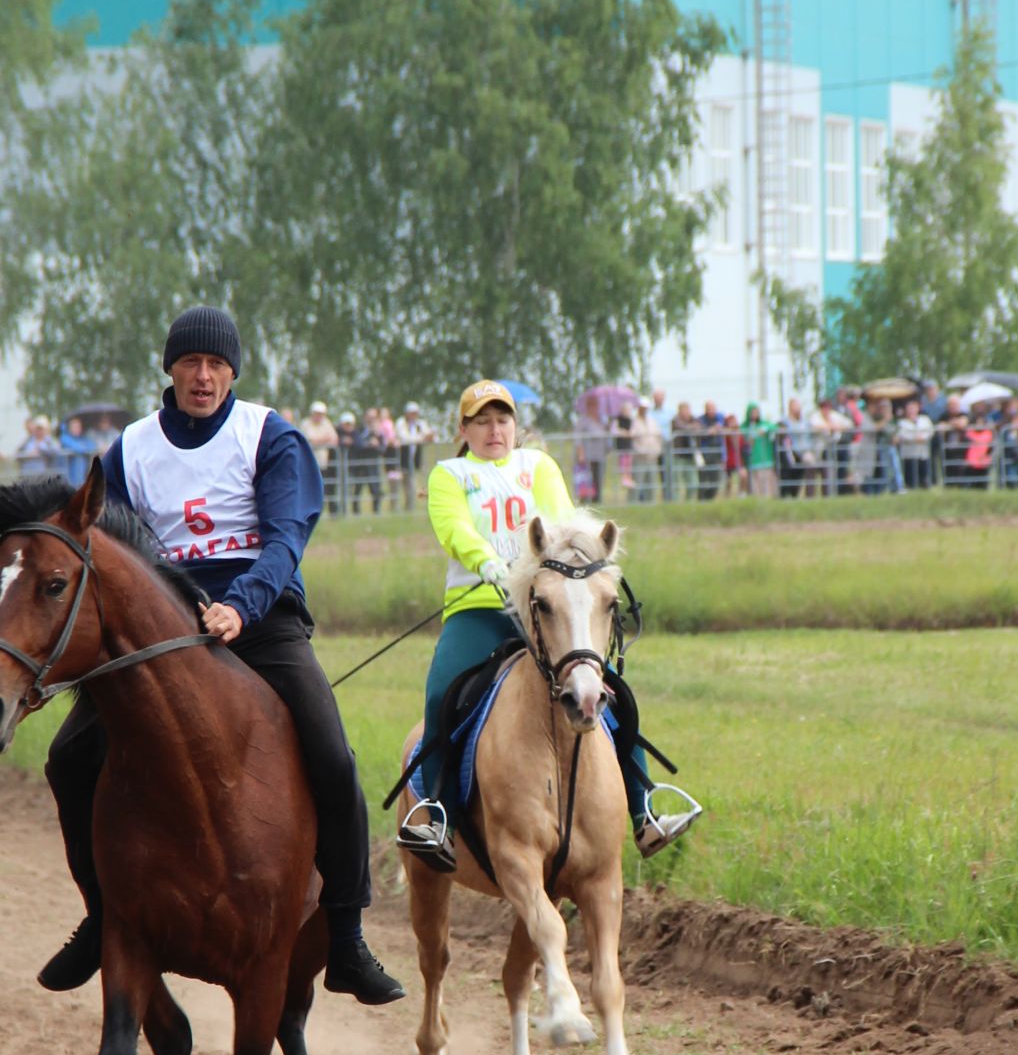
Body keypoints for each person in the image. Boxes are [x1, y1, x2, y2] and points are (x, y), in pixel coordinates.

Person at [37, 304, 402, 1008]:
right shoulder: (130, 449)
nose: (203, 376)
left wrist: (245, 602)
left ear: (234, 370)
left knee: (332, 753)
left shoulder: (269, 435)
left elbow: (289, 531)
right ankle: (101, 914)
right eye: (190, 364)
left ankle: (348, 937)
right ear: (169, 370)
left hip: (259, 619)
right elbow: (99, 540)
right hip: (157, 624)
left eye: (216, 364)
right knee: (68, 760)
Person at [396, 379, 703, 872]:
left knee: (608, 688)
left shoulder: (537, 466)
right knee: (441, 695)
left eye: (502, 420)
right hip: (477, 608)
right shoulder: (449, 474)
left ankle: (644, 808)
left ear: (516, 426)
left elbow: (562, 523)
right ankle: (437, 815)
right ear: (464, 429)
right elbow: (455, 530)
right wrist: (491, 563)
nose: (494, 430)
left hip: (547, 605)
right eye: (482, 421)